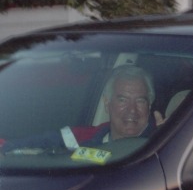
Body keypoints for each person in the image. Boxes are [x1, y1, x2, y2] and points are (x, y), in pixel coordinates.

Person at [0, 65, 162, 153]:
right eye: (122, 99)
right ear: (107, 103)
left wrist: (161, 138)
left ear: (149, 105)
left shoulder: (162, 141)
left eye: (140, 101)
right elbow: (25, 145)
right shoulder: (82, 138)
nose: (132, 110)